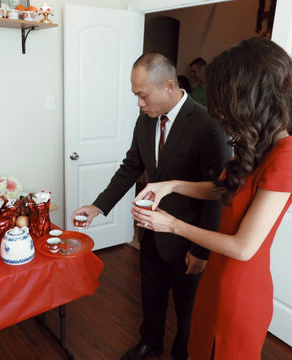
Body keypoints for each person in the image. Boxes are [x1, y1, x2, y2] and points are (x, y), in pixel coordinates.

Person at [131, 37, 292, 360]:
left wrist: (171, 224)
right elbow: (223, 188)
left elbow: (243, 247)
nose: (220, 112)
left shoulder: (286, 156)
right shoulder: (260, 144)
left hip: (240, 288)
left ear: (250, 96)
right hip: (216, 275)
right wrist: (170, 185)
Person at [71, 52, 230, 360]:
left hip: (188, 237)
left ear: (168, 86)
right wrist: (98, 206)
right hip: (149, 231)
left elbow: (217, 193)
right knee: (151, 295)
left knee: (187, 307)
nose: (139, 103)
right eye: (136, 96)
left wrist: (201, 251)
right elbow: (131, 166)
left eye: (142, 95)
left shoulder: (207, 125)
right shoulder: (145, 121)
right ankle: (150, 342)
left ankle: (183, 353)